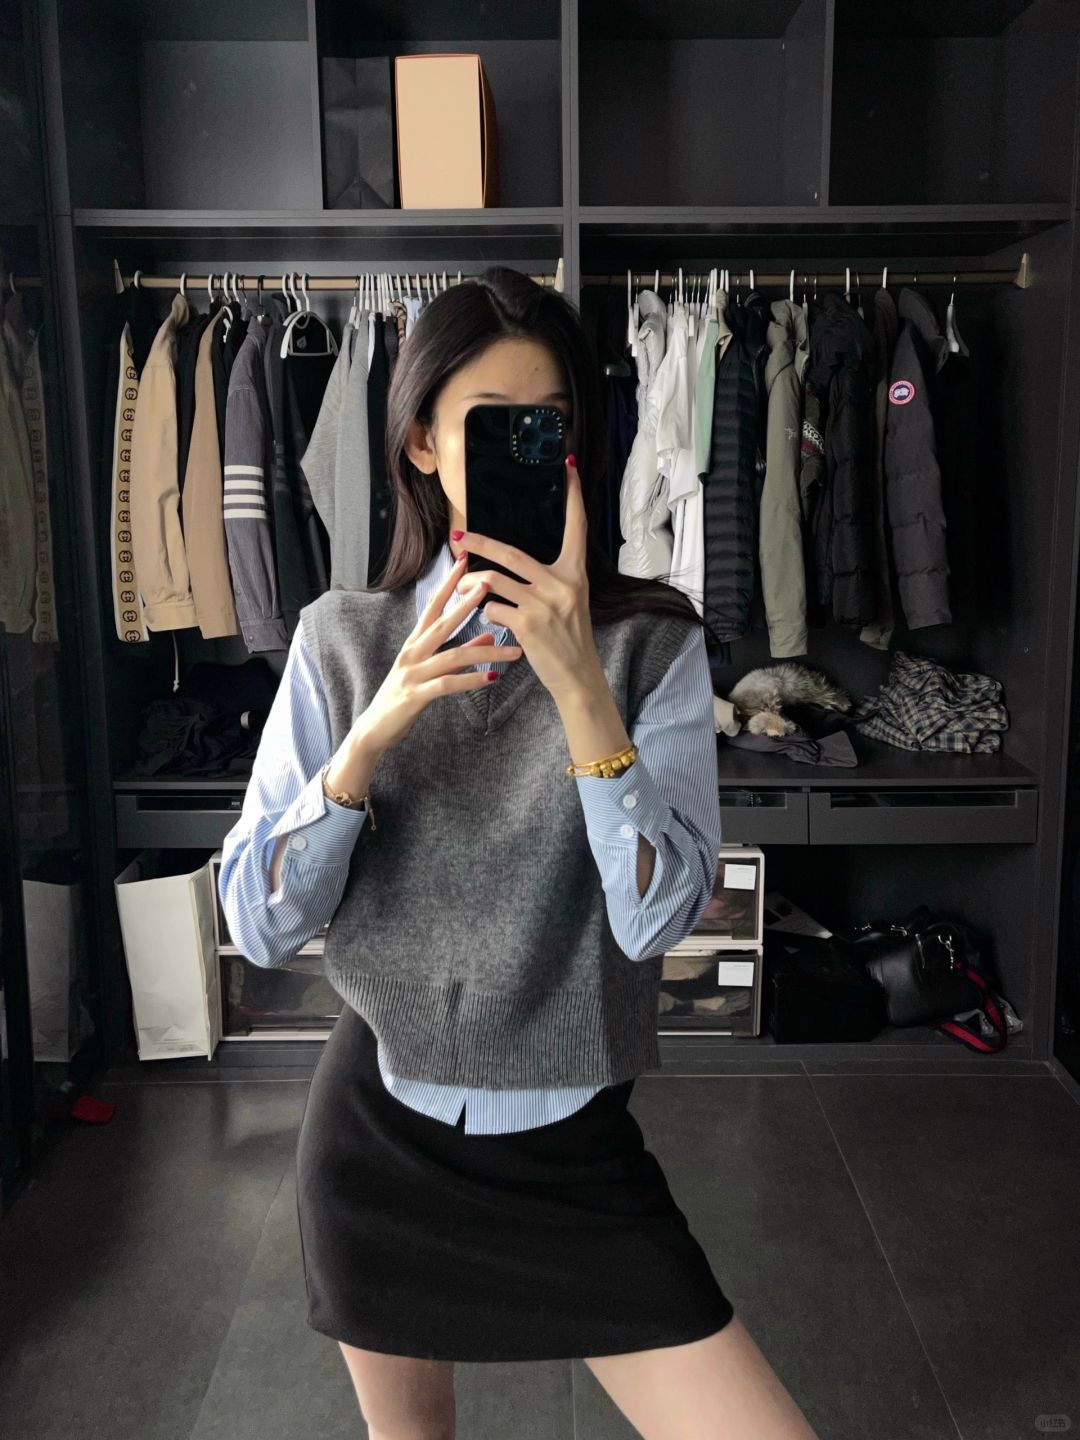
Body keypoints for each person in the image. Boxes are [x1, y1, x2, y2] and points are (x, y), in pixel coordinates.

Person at [219, 267, 820, 1440]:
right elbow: (259, 923)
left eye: (545, 427)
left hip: (573, 1154)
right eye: (487, 426)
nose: (521, 452)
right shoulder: (340, 640)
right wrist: (373, 734)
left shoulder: (652, 646)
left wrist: (581, 684)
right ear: (423, 445)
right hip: (377, 1141)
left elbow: (657, 922)